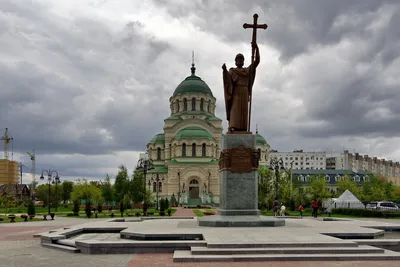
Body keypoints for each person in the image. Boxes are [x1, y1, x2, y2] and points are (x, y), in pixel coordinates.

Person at [222, 42, 260, 132]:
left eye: (241, 60)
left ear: (243, 61)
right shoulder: (232, 71)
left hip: (245, 92)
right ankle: (233, 126)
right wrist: (224, 71)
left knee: (243, 111)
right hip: (236, 93)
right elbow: (228, 81)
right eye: (238, 60)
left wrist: (256, 48)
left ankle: (243, 128)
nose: (240, 61)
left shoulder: (247, 70)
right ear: (235, 61)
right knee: (235, 109)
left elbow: (257, 61)